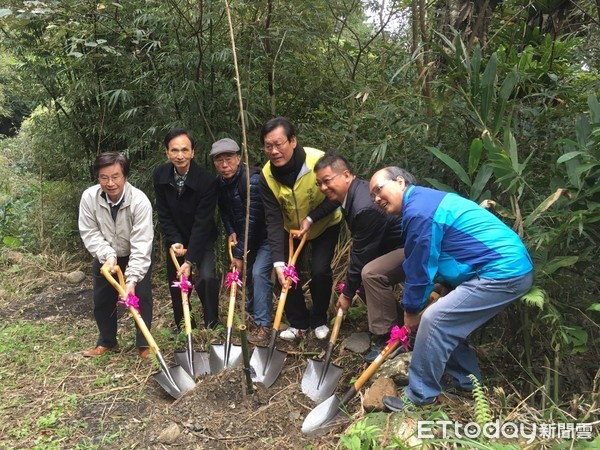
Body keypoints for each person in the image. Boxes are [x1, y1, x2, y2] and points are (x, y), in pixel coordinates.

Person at [368, 166, 534, 411]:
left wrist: (411, 310)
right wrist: (442, 287)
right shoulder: (425, 202)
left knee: (435, 319)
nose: (376, 199)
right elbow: (450, 251)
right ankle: (468, 384)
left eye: (379, 189)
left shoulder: (420, 211)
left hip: (503, 272)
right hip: (498, 268)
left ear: (401, 182)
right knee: (449, 318)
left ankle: (420, 397)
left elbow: (420, 266)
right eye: (372, 195)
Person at [313, 153, 406, 362]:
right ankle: (402, 329)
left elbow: (360, 256)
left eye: (327, 181)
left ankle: (389, 339)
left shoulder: (363, 206)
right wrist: (309, 219)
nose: (323, 188)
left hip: (412, 248)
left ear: (346, 175)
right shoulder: (352, 195)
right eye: (319, 183)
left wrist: (346, 295)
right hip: (391, 246)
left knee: (369, 274)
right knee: (363, 278)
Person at [259, 117, 343, 341]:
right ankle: (298, 322)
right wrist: (278, 262)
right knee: (286, 273)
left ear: (293, 141)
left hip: (324, 224)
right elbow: (273, 219)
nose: (274, 151)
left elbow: (337, 196)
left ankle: (319, 319)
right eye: (269, 146)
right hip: (291, 229)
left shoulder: (318, 160)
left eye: (279, 144)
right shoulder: (266, 176)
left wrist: (311, 218)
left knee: (319, 270)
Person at [78, 152, 154, 359]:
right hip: (106, 254)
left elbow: (141, 242)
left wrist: (131, 280)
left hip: (135, 252)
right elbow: (89, 232)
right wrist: (107, 255)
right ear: (98, 178)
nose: (110, 183)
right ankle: (107, 341)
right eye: (104, 177)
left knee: (142, 296)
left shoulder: (139, 201)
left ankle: (144, 345)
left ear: (125, 176)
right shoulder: (89, 198)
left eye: (115, 176)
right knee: (102, 298)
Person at [153, 129, 220, 330]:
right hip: (176, 237)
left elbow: (203, 221)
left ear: (193, 152)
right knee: (177, 281)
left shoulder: (206, 180)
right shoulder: (160, 174)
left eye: (184, 150)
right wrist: (174, 240)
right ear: (167, 152)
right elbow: (163, 212)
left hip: (202, 236)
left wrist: (190, 259)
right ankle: (184, 325)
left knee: (207, 277)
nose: (179, 155)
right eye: (174, 150)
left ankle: (212, 323)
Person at [211, 137, 274, 344]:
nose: (224, 165)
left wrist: (239, 253)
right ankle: (254, 314)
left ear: (238, 158)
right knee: (247, 276)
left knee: (258, 273)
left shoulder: (252, 180)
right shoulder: (220, 183)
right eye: (219, 161)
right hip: (246, 238)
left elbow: (253, 219)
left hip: (266, 236)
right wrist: (230, 231)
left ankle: (264, 325)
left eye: (228, 159)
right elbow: (225, 211)